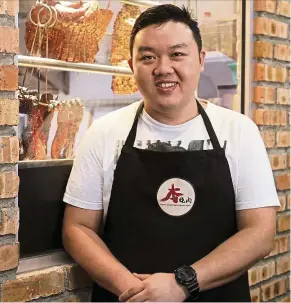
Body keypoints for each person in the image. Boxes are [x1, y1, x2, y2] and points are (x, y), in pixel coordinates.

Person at [62, 4, 280, 302]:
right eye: (148, 57)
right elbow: (77, 228)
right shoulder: (103, 133)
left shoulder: (239, 131)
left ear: (200, 60)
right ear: (130, 65)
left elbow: (260, 232)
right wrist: (136, 291)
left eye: (177, 54)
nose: (163, 68)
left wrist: (182, 284)